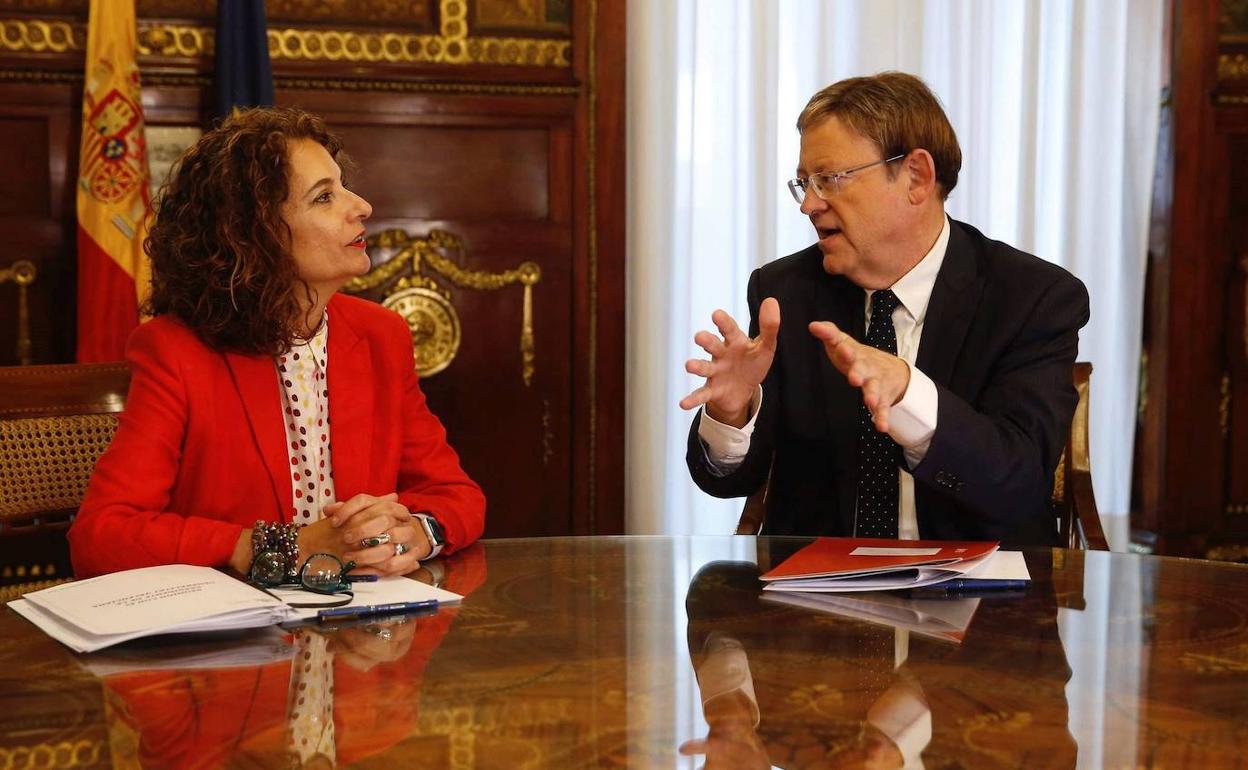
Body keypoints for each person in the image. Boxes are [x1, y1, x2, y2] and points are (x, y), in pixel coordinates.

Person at [69, 106, 486, 579]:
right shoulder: (175, 351)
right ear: (255, 233)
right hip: (238, 641)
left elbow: (457, 495)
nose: (362, 206)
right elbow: (101, 536)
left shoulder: (380, 336)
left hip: (368, 634)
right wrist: (278, 546)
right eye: (325, 197)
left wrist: (416, 529)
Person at [681, 72, 1089, 546]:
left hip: (980, 601)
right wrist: (733, 414)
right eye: (803, 184)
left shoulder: (1032, 297)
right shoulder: (785, 292)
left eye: (829, 179)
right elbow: (727, 481)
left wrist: (910, 394)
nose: (809, 205)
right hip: (819, 603)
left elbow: (1017, 483)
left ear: (916, 177)